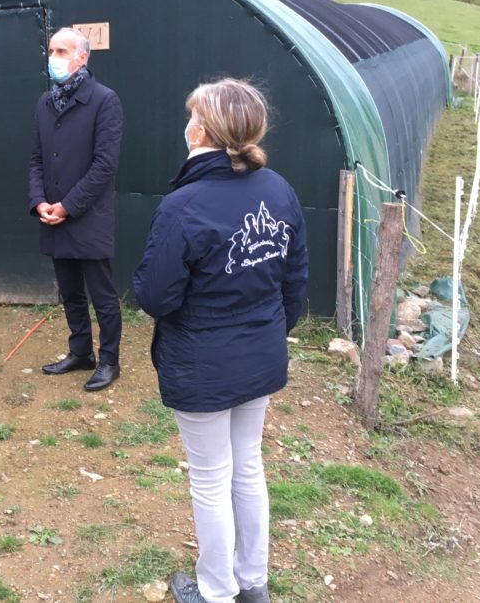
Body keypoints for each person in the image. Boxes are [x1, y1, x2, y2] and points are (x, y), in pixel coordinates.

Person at [132, 80, 308, 603]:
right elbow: (294, 284)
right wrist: (268, 331)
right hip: (259, 355)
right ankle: (252, 582)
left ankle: (215, 591)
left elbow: (156, 296)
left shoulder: (183, 205)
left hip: (202, 364)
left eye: (192, 117)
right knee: (247, 465)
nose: (186, 125)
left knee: (212, 477)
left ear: (202, 130)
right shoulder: (279, 189)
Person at [28, 27, 124, 392]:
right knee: (69, 291)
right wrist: (39, 202)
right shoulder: (44, 102)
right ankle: (80, 352)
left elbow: (105, 165)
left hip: (86, 215)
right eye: (51, 50)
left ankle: (109, 360)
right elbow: (37, 158)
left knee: (102, 294)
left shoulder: (105, 100)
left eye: (63, 50)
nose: (54, 57)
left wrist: (68, 206)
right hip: (52, 213)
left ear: (83, 57)